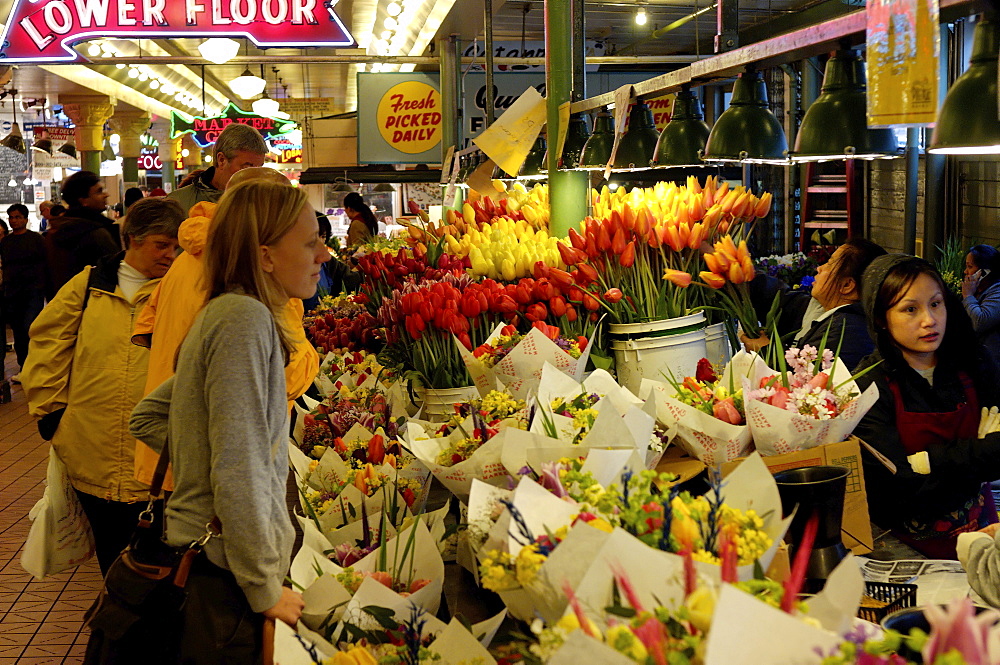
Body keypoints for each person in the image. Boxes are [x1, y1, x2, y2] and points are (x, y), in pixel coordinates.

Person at [129, 180, 319, 659]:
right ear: (267, 256)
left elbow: (149, 415)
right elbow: (241, 470)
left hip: (217, 557)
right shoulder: (243, 322)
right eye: (311, 242)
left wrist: (201, 452)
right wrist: (265, 589)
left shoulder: (228, 312)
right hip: (224, 573)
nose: (324, 255)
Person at [21, 198, 184, 575]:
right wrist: (52, 412)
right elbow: (47, 344)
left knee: (161, 563)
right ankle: (118, 625)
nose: (170, 255)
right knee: (113, 560)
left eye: (177, 247)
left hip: (159, 456)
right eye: (162, 244)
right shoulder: (88, 285)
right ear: (130, 240)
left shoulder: (180, 291)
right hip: (89, 448)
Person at [130, 167, 319, 490]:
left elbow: (147, 332)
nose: (321, 255)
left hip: (181, 452)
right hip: (225, 469)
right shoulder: (253, 276)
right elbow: (282, 376)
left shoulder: (188, 259)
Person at [854, 254, 1000, 559]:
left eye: (936, 303)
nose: (929, 320)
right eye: (910, 309)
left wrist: (927, 461)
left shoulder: (973, 363)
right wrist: (980, 451)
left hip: (983, 531)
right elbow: (898, 489)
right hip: (906, 546)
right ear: (881, 318)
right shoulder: (869, 384)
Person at [744, 238, 887, 370]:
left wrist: (765, 350)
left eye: (830, 264)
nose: (819, 268)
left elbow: (805, 382)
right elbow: (785, 302)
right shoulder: (825, 312)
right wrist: (743, 271)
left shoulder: (847, 331)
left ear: (847, 285)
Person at [46, 173, 120, 298]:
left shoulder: (57, 230)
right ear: (83, 200)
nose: (106, 195)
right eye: (99, 191)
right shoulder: (97, 233)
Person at [167, 123, 267, 211]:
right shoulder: (178, 203)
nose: (255, 176)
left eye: (259, 168)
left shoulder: (264, 204)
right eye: (246, 168)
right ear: (222, 160)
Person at [0, 204, 48, 381]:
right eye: (11, 217)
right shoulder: (6, 242)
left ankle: (35, 367)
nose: (14, 220)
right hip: (13, 292)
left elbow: (45, 264)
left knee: (30, 328)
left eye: (18, 217)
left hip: (33, 291)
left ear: (26, 219)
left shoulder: (36, 239)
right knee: (19, 331)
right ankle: (24, 367)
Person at [961, 244, 1000, 368]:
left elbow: (979, 322)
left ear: (984, 272)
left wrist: (968, 296)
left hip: (991, 365)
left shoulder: (997, 292)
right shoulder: (978, 290)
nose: (965, 271)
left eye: (970, 267)